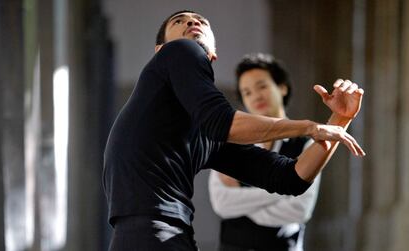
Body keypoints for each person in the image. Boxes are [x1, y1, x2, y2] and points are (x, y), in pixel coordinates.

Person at [102, 10, 365, 251]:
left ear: (213, 55)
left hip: (165, 235)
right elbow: (222, 121)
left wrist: (339, 121)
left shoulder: (203, 132)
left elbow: (290, 179)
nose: (193, 22)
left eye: (201, 21)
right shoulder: (179, 51)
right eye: (179, 21)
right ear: (160, 50)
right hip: (152, 235)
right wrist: (309, 127)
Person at [209, 53, 321, 251]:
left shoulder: (306, 144)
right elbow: (222, 203)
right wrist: (284, 192)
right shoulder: (232, 141)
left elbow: (300, 209)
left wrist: (243, 203)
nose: (256, 96)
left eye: (262, 86)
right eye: (247, 92)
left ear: (282, 87)